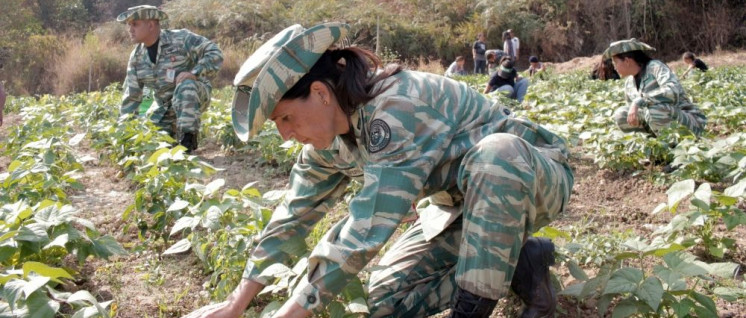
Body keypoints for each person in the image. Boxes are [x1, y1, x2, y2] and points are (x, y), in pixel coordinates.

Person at [187, 22, 573, 318]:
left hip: (530, 175)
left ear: (320, 94)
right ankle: (519, 260)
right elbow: (293, 216)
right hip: (458, 208)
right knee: (385, 299)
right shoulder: (330, 139)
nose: (286, 134)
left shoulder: (395, 108)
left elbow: (366, 227)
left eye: (286, 117)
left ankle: (474, 303)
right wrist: (236, 303)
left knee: (495, 156)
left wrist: (293, 310)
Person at [117, 5, 223, 153]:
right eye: (129, 25)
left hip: (193, 98)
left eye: (135, 24)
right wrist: (124, 135)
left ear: (151, 25)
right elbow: (131, 99)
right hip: (165, 110)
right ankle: (175, 134)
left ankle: (188, 140)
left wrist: (195, 73)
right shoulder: (136, 57)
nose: (130, 29)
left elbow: (215, 53)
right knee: (157, 148)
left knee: (186, 85)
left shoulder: (180, 39)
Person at [603, 38, 706, 138]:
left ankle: (673, 147)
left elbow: (672, 91)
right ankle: (655, 144)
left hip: (688, 122)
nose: (615, 68)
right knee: (622, 115)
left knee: (654, 110)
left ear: (627, 61)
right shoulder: (629, 83)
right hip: (658, 124)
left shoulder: (655, 67)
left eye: (615, 63)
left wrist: (640, 100)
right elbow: (633, 113)